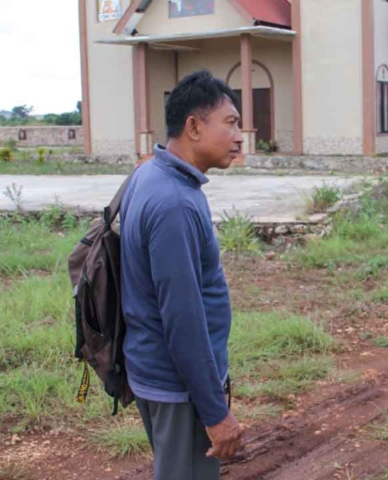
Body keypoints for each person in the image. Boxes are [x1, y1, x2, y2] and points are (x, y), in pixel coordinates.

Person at [120, 70, 244, 480]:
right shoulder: (175, 202)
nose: (240, 136)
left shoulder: (148, 174)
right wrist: (215, 412)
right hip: (178, 388)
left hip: (156, 371)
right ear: (193, 126)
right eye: (230, 122)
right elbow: (183, 320)